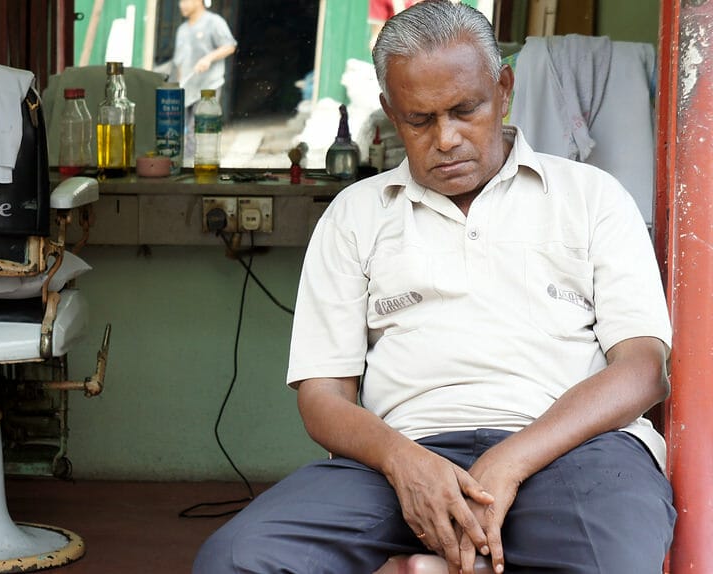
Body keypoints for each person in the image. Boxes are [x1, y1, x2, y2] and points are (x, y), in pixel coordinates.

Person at [192, 1, 675, 573]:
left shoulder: (591, 197)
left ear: (504, 89)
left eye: (465, 110)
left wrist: (510, 460)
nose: (446, 139)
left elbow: (642, 370)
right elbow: (322, 398)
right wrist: (405, 462)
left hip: (574, 450)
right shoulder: (355, 215)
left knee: (611, 562)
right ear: (390, 113)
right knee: (237, 559)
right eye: (419, 120)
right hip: (400, 457)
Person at [171, 0, 236, 158]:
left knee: (200, 131)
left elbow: (229, 46)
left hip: (208, 88)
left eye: (185, 1)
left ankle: (199, 167)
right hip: (187, 89)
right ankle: (188, 166)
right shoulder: (182, 30)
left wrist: (208, 58)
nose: (181, 5)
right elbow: (179, 64)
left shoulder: (214, 22)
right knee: (183, 134)